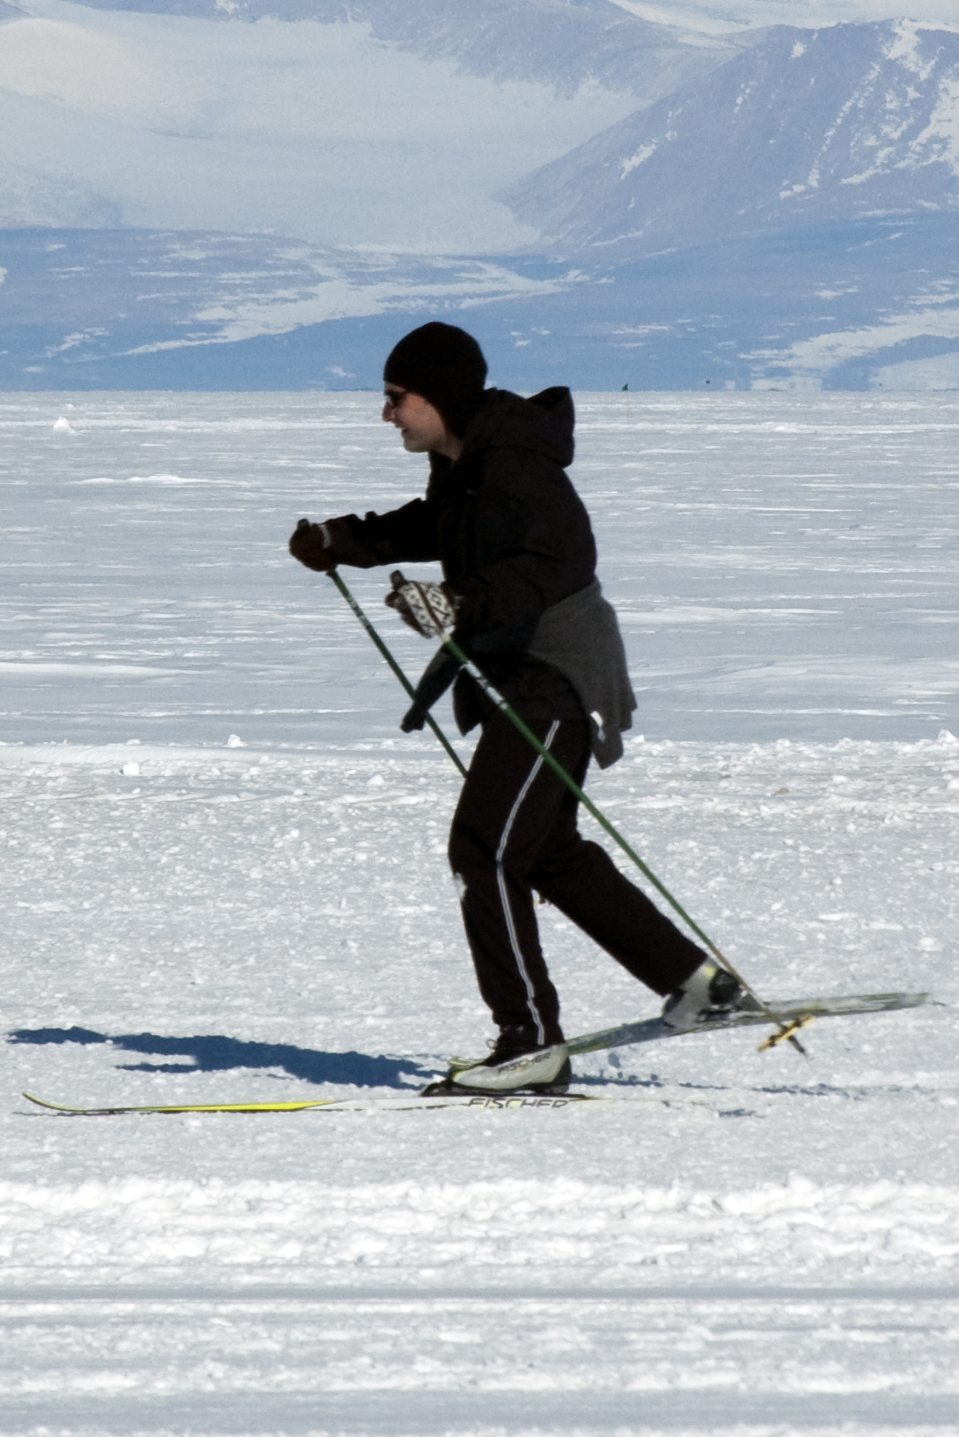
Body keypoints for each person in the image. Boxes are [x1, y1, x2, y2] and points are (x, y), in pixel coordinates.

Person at [287, 321, 741, 1095]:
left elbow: (556, 560)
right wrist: (344, 539)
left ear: (438, 396)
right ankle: (696, 983)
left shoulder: (515, 464)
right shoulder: (463, 461)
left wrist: (458, 600)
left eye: (396, 398)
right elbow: (440, 527)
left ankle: (528, 1043)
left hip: (555, 673)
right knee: (543, 850)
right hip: (519, 673)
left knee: (486, 850)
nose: (387, 414)